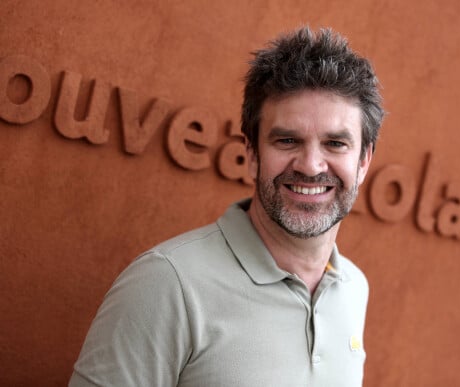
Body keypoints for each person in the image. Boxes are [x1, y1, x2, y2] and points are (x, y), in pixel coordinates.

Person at [69, 26, 384, 387]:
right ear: (251, 154)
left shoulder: (353, 287)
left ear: (364, 161)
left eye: (335, 143)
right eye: (287, 140)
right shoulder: (167, 283)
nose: (311, 165)